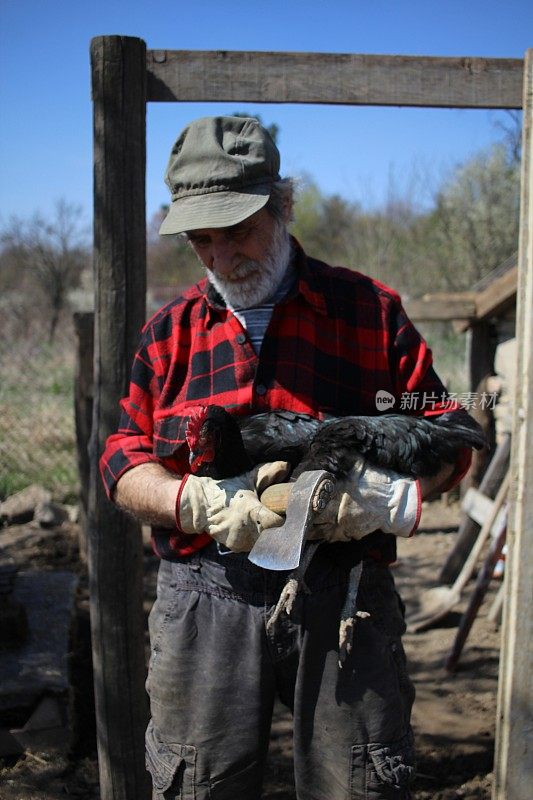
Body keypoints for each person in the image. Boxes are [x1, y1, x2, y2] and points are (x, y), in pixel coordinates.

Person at [100, 116, 470, 800]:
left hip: (344, 590)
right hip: (206, 599)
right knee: (195, 785)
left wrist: (380, 502)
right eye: (200, 240)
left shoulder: (367, 311)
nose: (219, 256)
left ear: (283, 206)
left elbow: (450, 433)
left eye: (236, 230)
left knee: (359, 783)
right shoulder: (167, 335)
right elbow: (122, 460)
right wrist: (192, 502)